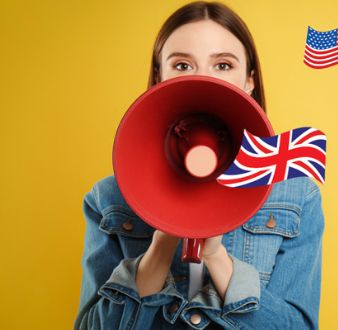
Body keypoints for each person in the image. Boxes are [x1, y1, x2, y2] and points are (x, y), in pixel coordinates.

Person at [74, 2, 324, 329]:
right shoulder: (109, 198)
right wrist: (161, 246)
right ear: (158, 76)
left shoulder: (296, 195)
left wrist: (217, 258)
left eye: (222, 65)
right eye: (181, 64)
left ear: (249, 80)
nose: (203, 79)